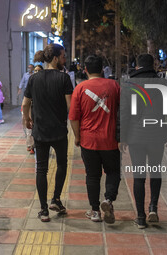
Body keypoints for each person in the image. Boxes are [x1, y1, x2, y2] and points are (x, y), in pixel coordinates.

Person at [120, 54, 167, 229]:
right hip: (157, 135)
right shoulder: (164, 84)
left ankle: (141, 217)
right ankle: (153, 208)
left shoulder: (128, 85)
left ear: (137, 67)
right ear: (153, 65)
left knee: (139, 176)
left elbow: (124, 114)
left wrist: (122, 138)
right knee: (155, 171)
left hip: (136, 137)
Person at [22, 44, 73, 222]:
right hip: (59, 131)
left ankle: (44, 210)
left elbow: (25, 104)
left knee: (41, 170)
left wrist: (27, 120)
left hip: (40, 131)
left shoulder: (34, 78)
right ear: (55, 58)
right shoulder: (64, 78)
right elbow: (70, 107)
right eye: (63, 56)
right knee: (61, 165)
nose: (65, 60)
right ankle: (56, 200)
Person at [69, 55, 121, 223]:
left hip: (88, 140)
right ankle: (108, 200)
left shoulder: (80, 88)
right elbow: (123, 111)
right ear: (102, 69)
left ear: (85, 70)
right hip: (110, 140)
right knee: (113, 172)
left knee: (92, 176)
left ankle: (95, 211)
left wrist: (77, 137)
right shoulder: (114, 85)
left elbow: (73, 117)